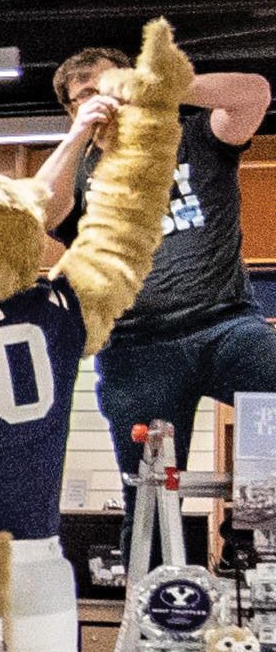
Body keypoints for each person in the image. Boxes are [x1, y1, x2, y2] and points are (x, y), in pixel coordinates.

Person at [41, 42, 276, 470]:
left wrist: (163, 87)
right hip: (137, 346)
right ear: (71, 109)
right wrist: (78, 135)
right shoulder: (77, 168)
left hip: (227, 326)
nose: (105, 100)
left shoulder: (194, 138)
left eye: (110, 86)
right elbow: (38, 210)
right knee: (147, 491)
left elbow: (255, 93)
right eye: (85, 96)